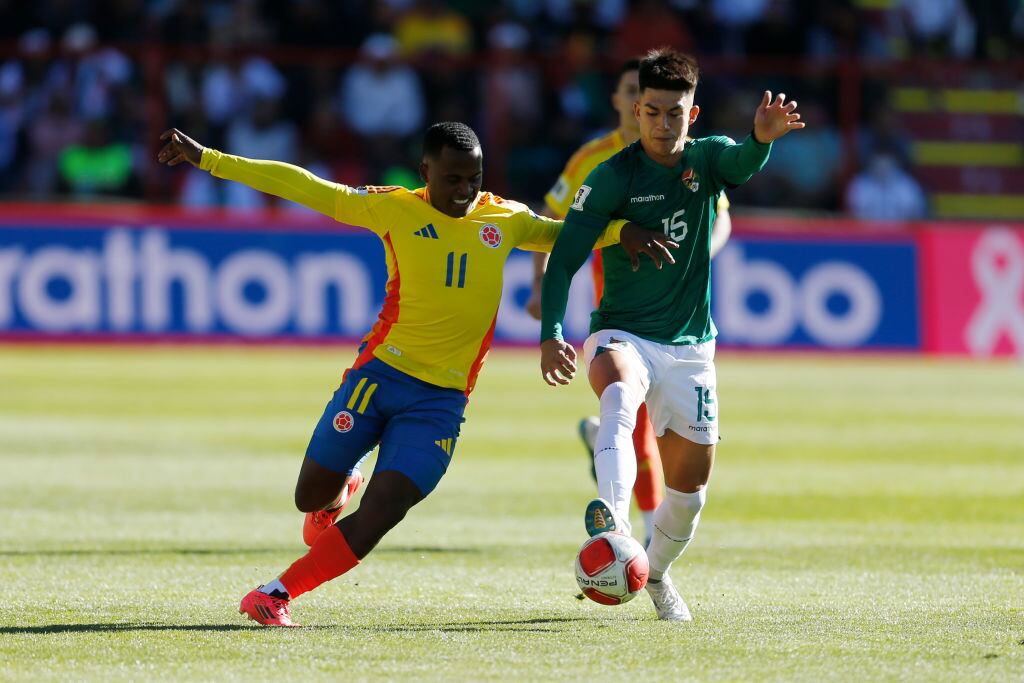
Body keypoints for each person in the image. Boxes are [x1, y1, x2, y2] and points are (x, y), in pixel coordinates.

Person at [157, 121, 659, 628]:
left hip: (440, 403)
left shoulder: (503, 218)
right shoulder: (394, 207)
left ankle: (275, 594)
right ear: (426, 171)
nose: (465, 190)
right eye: (453, 179)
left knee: (387, 507)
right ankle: (340, 489)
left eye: (474, 178)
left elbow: (566, 235)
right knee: (308, 497)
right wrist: (210, 160)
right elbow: (304, 186)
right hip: (378, 378)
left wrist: (621, 231)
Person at [539, 49, 803, 622]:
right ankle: (611, 518)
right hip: (623, 332)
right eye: (653, 112)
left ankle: (653, 573)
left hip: (690, 350)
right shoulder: (610, 174)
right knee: (616, 389)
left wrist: (761, 139)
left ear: (694, 113)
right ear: (637, 111)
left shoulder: (707, 162)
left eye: (674, 114)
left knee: (690, 493)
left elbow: (742, 166)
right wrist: (551, 332)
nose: (663, 125)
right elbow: (562, 261)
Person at [526, 58, 733, 547]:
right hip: (622, 319)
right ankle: (632, 530)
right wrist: (541, 289)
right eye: (627, 93)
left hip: (678, 326)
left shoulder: (693, 159)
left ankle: (640, 527)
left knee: (652, 437)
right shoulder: (594, 162)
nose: (660, 118)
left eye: (673, 111)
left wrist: (702, 250)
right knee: (632, 419)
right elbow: (553, 224)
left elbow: (719, 213)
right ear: (628, 102)